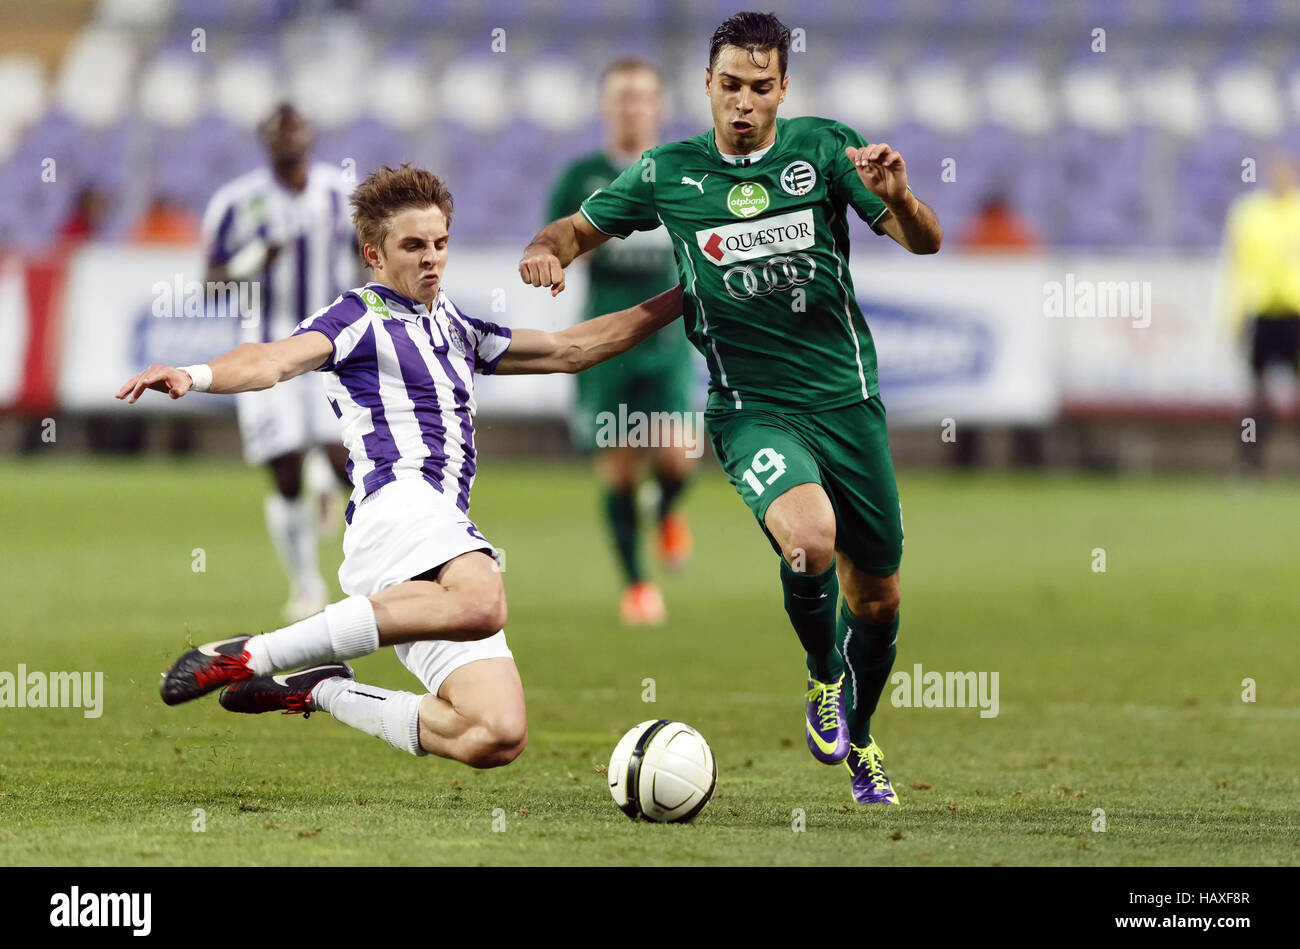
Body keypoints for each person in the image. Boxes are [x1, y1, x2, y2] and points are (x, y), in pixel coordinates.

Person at [117, 164, 682, 769]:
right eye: (413, 246)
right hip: (399, 507)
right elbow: (272, 360)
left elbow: (575, 349)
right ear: (374, 254)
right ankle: (252, 653)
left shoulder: (458, 327)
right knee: (485, 600)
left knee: (494, 733)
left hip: (425, 541)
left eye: (440, 243)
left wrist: (687, 294)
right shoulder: (358, 318)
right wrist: (194, 375)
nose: (431, 258)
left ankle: (321, 689)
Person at [520, 12, 942, 804]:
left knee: (878, 597)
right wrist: (547, 251)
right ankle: (823, 679)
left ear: (783, 89)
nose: (743, 104)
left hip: (848, 404)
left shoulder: (824, 150)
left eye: (760, 87)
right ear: (706, 87)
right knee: (810, 540)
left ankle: (864, 736)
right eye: (729, 87)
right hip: (752, 409)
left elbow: (924, 241)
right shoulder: (667, 172)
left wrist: (903, 197)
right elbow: (573, 230)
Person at [545, 58, 697, 626]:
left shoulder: (684, 169)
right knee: (619, 468)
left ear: (658, 106)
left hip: (667, 337)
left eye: (642, 97)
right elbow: (555, 240)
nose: (632, 106)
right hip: (603, 344)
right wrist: (553, 257)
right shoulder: (581, 176)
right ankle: (636, 584)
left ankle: (669, 509)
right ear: (606, 106)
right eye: (622, 97)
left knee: (680, 456)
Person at [200, 103, 357, 620]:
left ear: (311, 134)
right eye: (279, 132)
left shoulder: (341, 195)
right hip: (266, 351)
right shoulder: (237, 202)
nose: (289, 139)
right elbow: (211, 285)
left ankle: (332, 501)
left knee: (345, 462)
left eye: (297, 129)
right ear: (265, 140)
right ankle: (308, 584)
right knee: (284, 468)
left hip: (330, 347)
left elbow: (368, 259)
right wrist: (251, 261)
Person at [1222, 152, 1300, 474]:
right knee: (1256, 398)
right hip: (1262, 314)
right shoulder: (1250, 214)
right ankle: (1249, 465)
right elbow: (1237, 269)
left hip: (1296, 313)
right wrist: (1235, 318)